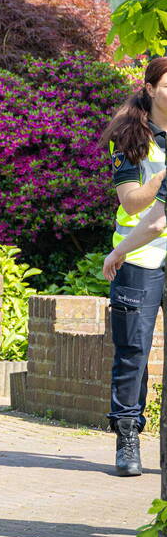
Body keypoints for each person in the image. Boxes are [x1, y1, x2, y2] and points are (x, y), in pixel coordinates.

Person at [100, 56, 167, 476]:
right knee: (133, 353)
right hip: (139, 257)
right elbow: (131, 202)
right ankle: (128, 437)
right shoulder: (130, 138)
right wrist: (163, 178)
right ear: (151, 87)